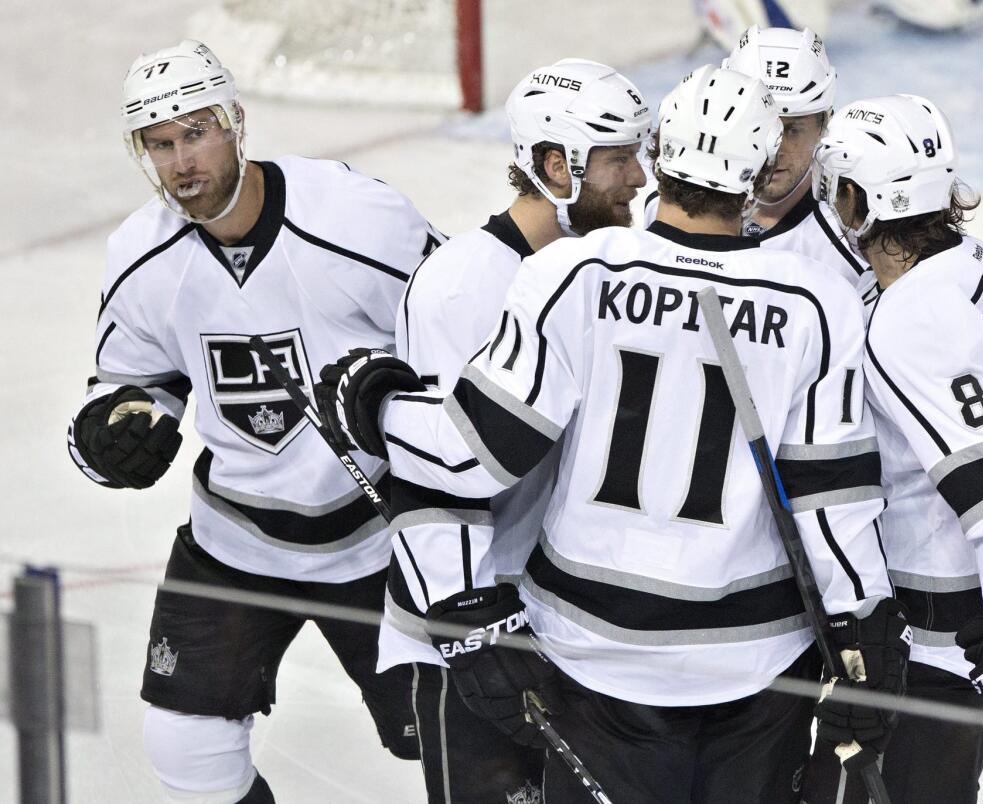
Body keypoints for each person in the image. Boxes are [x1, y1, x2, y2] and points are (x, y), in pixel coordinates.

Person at [318, 65, 908, 804]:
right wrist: (866, 623)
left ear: (662, 159)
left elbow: (470, 454)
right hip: (759, 663)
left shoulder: (576, 272)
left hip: (597, 653)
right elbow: (833, 497)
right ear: (757, 172)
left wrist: (375, 403)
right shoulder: (816, 301)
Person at [66, 39, 442, 803]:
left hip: (381, 540)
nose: (182, 162)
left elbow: (459, 337)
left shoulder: (355, 218)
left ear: (238, 122)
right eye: (161, 144)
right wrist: (110, 434)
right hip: (235, 542)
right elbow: (128, 382)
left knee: (455, 741)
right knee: (186, 747)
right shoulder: (142, 256)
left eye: (197, 132)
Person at [370, 58, 651, 804]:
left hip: (568, 624)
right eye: (620, 158)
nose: (639, 177)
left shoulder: (613, 270)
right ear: (557, 166)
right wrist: (468, 625)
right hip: (478, 632)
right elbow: (433, 470)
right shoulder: (463, 284)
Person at [806, 93, 983, 802]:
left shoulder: (914, 319)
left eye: (835, 186)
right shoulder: (971, 260)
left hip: (933, 653)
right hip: (953, 645)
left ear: (858, 200)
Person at [646, 25, 879, 304]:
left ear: (824, 125)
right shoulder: (658, 205)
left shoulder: (852, 246)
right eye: (758, 129)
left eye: (792, 130)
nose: (774, 151)